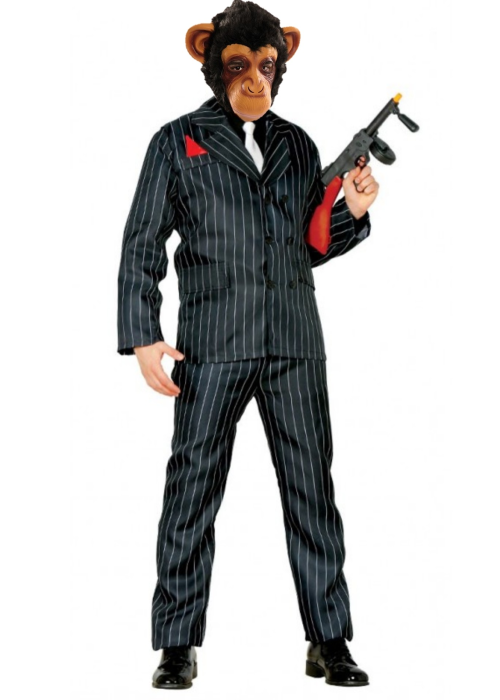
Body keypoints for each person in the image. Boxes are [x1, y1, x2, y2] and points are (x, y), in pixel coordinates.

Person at [117, 0, 379, 689]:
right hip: (212, 344)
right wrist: (142, 335)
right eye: (240, 65)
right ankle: (176, 642)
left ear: (281, 62)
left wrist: (352, 212)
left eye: (266, 65)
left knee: (311, 492)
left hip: (293, 341)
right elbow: (142, 242)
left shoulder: (298, 144)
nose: (255, 78)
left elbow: (304, 246)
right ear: (210, 61)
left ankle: (329, 638)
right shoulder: (177, 141)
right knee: (192, 491)